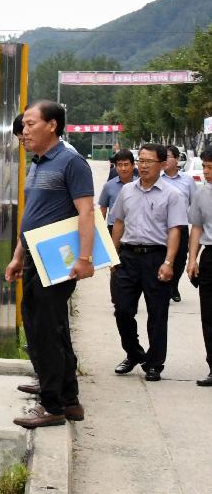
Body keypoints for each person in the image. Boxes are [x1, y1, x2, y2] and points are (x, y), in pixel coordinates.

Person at [5, 101, 93, 429]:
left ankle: (52, 406)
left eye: (30, 124)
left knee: (44, 333)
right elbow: (33, 216)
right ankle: (70, 401)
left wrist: (84, 259)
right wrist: (17, 255)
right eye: (24, 126)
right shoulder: (38, 163)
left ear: (52, 125)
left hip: (56, 261)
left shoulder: (71, 162)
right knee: (52, 331)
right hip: (33, 258)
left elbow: (86, 212)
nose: (24, 131)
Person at [110, 144, 187, 382]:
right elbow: (119, 222)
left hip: (156, 257)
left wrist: (168, 262)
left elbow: (175, 230)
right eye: (140, 160)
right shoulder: (127, 191)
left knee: (157, 314)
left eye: (148, 161)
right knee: (122, 309)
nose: (142, 165)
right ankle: (134, 353)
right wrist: (114, 254)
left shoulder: (172, 195)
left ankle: (154, 364)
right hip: (128, 257)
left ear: (162, 164)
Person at [184, 147, 212, 387]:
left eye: (210, 167)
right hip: (210, 256)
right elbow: (197, 228)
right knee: (209, 316)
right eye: (204, 167)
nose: (206, 172)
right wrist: (192, 259)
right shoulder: (202, 194)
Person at [161, 145, 197, 302]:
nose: (165, 160)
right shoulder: (158, 178)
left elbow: (194, 204)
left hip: (180, 226)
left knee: (181, 258)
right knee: (163, 257)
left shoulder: (187, 180)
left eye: (168, 156)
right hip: (161, 228)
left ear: (176, 159)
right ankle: (164, 287)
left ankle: (174, 285)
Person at [98, 149, 136, 235]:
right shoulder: (108, 186)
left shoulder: (140, 185)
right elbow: (102, 210)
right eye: (119, 165)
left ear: (133, 165)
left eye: (126, 165)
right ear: (115, 166)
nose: (123, 168)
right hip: (113, 228)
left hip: (134, 229)